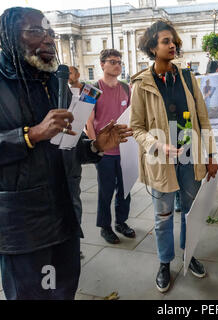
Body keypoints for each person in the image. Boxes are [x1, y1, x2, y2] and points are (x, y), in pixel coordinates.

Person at [0, 7, 132, 299]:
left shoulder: (52, 80)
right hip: (21, 224)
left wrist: (96, 145)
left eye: (50, 33)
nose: (48, 40)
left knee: (64, 291)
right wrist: (30, 134)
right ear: (7, 36)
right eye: (36, 31)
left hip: (64, 214)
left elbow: (64, 145)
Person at [130, 19, 218, 293]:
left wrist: (211, 154)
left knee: (190, 212)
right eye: (166, 41)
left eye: (174, 41)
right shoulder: (141, 84)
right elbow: (136, 128)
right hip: (160, 160)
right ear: (152, 48)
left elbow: (203, 120)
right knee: (164, 215)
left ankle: (188, 255)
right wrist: (157, 145)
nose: (173, 45)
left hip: (191, 157)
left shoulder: (188, 78)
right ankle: (164, 263)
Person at [85, 49, 135, 244]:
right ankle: (105, 227)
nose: (117, 65)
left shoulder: (126, 88)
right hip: (105, 151)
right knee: (106, 191)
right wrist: (97, 147)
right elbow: (88, 123)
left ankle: (121, 222)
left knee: (125, 189)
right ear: (102, 64)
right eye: (112, 61)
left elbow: (131, 116)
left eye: (119, 62)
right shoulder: (91, 89)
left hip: (125, 149)